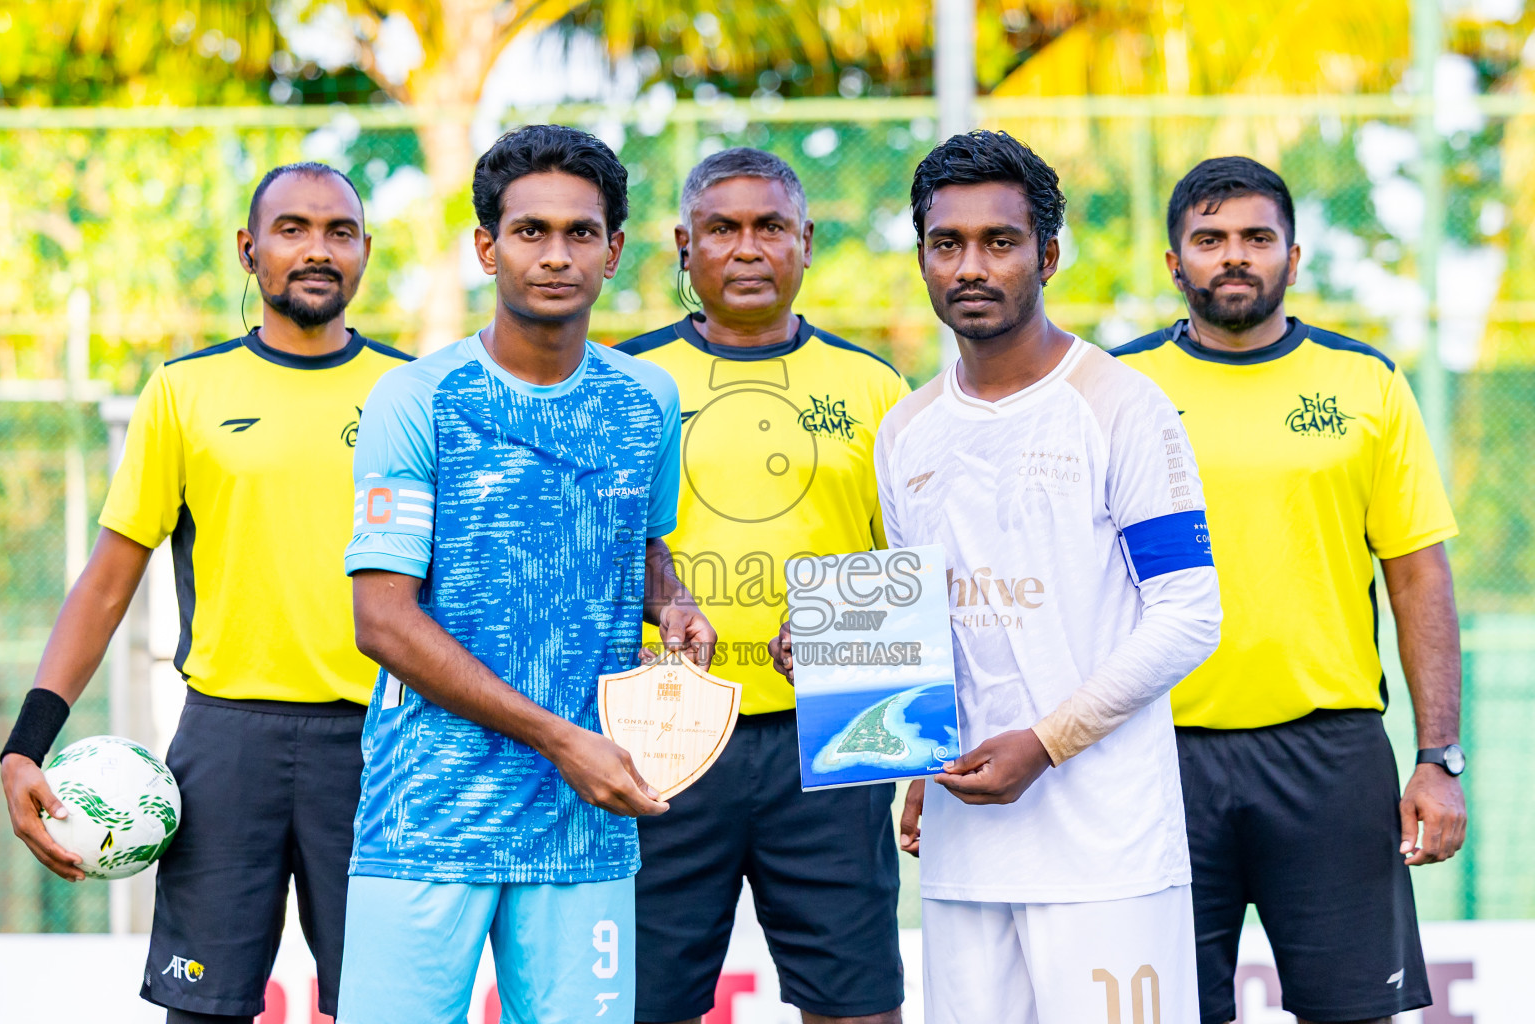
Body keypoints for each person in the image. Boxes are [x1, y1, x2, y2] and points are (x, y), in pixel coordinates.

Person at [0, 163, 407, 1024]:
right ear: (248, 249)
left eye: (340, 231)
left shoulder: (420, 393)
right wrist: (24, 745)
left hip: (384, 744)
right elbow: (109, 583)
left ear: (366, 251)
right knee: (203, 1010)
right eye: (292, 228)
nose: (317, 249)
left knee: (389, 1009)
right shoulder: (185, 391)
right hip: (228, 741)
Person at [335, 124, 716, 1024]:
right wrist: (559, 738)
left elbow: (642, 543)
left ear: (615, 250)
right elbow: (382, 621)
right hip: (428, 816)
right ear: (485, 248)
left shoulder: (648, 400)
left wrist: (676, 604)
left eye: (581, 233)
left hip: (584, 823)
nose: (555, 256)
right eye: (529, 232)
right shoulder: (418, 397)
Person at [858, 129, 1221, 1024]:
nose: (971, 266)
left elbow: (1190, 616)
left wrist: (1047, 742)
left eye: (1000, 242)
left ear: (1047, 254)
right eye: (948, 245)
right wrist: (860, 674)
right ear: (923, 259)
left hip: (1106, 852)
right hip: (961, 848)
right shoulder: (905, 431)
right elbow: (931, 620)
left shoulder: (1122, 406)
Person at [1113, 156, 1466, 1024]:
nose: (1234, 256)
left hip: (1328, 754)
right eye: (1209, 240)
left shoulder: (1366, 383)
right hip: (1154, 754)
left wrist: (1438, 758)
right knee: (1160, 1013)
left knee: (1355, 1012)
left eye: (1256, 238)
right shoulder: (1112, 389)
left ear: (1294, 258)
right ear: (1173, 264)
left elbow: (1419, 573)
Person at [616, 148, 910, 1024]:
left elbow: (904, 565)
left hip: (837, 732)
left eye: (770, 227)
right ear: (683, 245)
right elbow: (593, 543)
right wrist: (659, 601)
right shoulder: (623, 383)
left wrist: (853, 637)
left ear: (807, 242)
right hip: (659, 741)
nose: (748, 249)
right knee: (642, 1005)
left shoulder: (874, 386)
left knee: (857, 1006)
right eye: (723, 229)